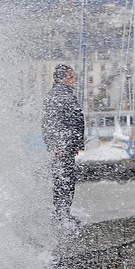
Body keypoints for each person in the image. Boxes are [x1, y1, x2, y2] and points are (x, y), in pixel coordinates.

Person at [41, 63, 85, 223]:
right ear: (62, 78)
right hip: (62, 144)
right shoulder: (58, 95)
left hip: (66, 144)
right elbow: (49, 122)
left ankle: (63, 212)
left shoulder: (64, 94)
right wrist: (55, 145)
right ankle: (61, 214)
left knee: (66, 178)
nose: (73, 80)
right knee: (64, 179)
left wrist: (76, 144)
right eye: (71, 76)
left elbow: (75, 121)